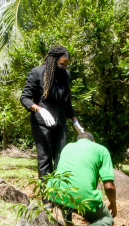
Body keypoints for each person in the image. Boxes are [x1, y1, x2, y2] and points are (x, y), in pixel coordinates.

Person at [20, 45, 85, 201]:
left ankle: (59, 196)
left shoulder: (66, 75)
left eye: (66, 65)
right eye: (61, 64)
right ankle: (47, 198)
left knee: (61, 160)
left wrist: (74, 120)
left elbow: (67, 100)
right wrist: (39, 109)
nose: (63, 68)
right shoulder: (37, 73)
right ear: (53, 60)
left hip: (60, 123)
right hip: (42, 124)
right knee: (45, 160)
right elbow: (24, 98)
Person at [49, 132, 117, 226]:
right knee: (107, 219)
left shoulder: (68, 147)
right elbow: (109, 186)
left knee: (68, 192)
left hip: (55, 194)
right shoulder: (101, 150)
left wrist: (68, 220)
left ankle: (68, 224)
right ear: (94, 142)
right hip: (82, 197)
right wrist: (113, 204)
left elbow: (67, 182)